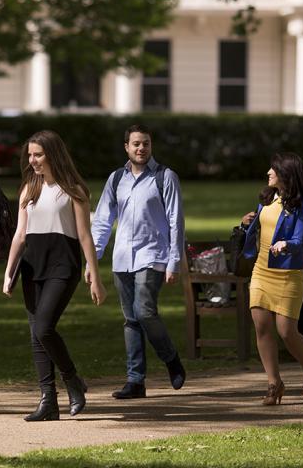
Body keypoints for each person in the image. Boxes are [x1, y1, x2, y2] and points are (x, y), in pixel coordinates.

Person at [2, 130, 106, 422]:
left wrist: (94, 275)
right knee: (36, 335)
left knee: (45, 327)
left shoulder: (74, 189)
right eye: (30, 155)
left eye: (39, 154)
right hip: (33, 265)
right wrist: (9, 271)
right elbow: (20, 235)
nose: (33, 160)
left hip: (63, 264)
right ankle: (48, 401)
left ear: (53, 154)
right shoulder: (28, 189)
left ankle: (73, 381)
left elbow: (85, 236)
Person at [89, 124, 186, 400]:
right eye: (136, 144)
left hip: (153, 255)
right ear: (126, 147)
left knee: (144, 311)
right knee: (131, 320)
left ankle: (171, 360)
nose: (141, 148)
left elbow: (176, 222)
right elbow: (103, 221)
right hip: (122, 259)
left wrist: (174, 262)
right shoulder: (116, 178)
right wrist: (93, 259)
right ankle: (135, 381)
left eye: (145, 144)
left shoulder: (165, 177)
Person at [240, 153, 303, 405]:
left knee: (287, 332)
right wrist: (246, 224)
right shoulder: (267, 198)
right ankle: (274, 384)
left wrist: (286, 244)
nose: (268, 172)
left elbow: (299, 240)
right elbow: (260, 228)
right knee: (262, 327)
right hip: (261, 272)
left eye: (273, 169)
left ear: (286, 175)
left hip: (288, 275)